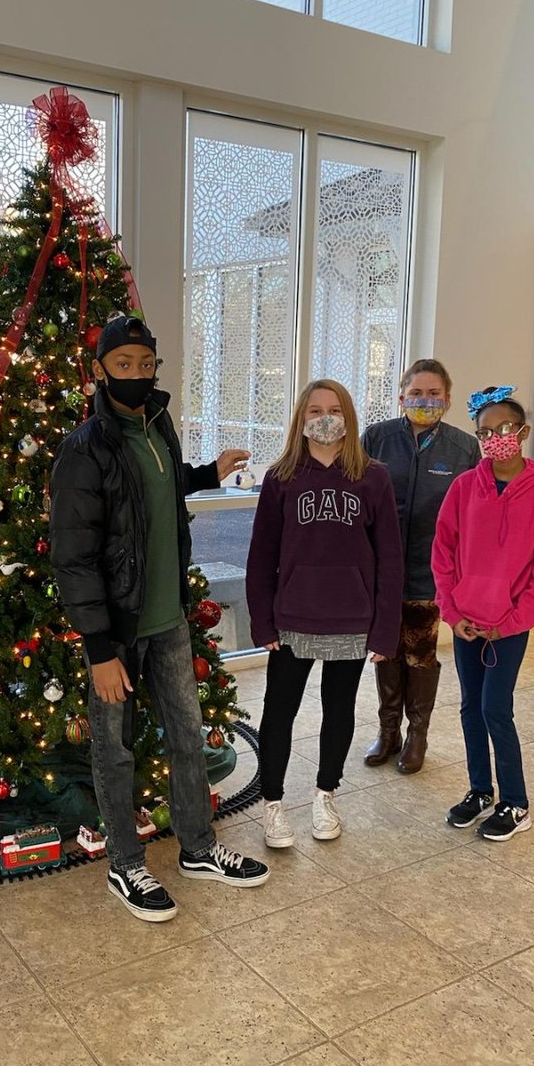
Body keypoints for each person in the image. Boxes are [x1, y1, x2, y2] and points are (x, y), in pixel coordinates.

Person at [50, 315, 270, 923]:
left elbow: (158, 493)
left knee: (188, 736)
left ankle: (198, 849)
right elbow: (73, 557)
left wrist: (206, 474)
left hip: (168, 620)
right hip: (116, 632)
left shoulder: (159, 426)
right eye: (124, 365)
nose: (137, 375)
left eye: (146, 365)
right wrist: (98, 647)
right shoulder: (84, 449)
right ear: (100, 370)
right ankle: (125, 863)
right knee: (114, 749)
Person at [246, 380, 403, 849]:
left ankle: (325, 793)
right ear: (300, 419)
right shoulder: (281, 478)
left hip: (353, 618)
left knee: (340, 710)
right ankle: (272, 803)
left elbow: (390, 559)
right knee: (279, 712)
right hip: (293, 617)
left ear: (349, 417)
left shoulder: (374, 477)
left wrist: (385, 630)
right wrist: (262, 621)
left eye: (335, 409)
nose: (325, 417)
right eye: (315, 409)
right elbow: (261, 556)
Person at [431, 386, 534, 841]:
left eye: (504, 429)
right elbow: (443, 554)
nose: (495, 438)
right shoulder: (464, 487)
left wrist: (510, 621)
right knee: (471, 707)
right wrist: (452, 612)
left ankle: (516, 801)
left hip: (508, 626)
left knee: (495, 708)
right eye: (485, 432)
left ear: (523, 432)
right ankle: (479, 790)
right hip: (467, 624)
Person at [360, 359, 480, 774]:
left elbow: (473, 516)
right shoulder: (376, 438)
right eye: (416, 393)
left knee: (420, 654)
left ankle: (418, 736)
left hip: (431, 575)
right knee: (386, 651)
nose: (424, 400)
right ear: (401, 396)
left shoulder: (464, 448)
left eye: (433, 394)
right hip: (381, 573)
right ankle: (388, 731)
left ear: (447, 399)